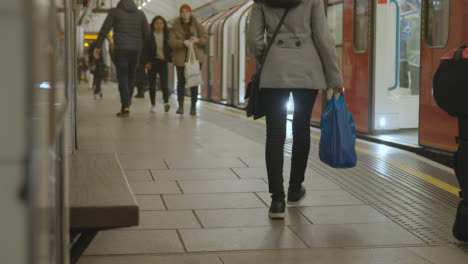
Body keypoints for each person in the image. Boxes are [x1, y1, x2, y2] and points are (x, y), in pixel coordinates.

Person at [247, 0, 344, 219]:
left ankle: (277, 201)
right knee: (301, 129)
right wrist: (335, 78)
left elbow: (253, 40)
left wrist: (270, 58)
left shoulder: (260, 1)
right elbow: (323, 38)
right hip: (306, 71)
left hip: (275, 71)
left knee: (275, 134)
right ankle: (294, 189)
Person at [94, 0, 151, 117]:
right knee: (131, 76)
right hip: (136, 50)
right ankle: (127, 104)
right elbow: (147, 34)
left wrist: (97, 46)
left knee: (123, 77)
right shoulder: (140, 14)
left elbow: (105, 29)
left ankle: (125, 105)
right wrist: (147, 52)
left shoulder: (115, 12)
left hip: (121, 49)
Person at [169, 4, 208, 115]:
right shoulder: (175, 26)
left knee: (194, 82)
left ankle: (193, 107)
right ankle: (180, 106)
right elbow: (171, 42)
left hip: (194, 58)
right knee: (181, 82)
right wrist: (183, 43)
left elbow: (205, 38)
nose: (185, 14)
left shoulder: (197, 25)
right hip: (181, 58)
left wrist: (197, 40)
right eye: (183, 11)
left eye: (187, 11)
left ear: (190, 13)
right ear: (180, 14)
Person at [145, 15, 172, 113]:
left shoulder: (167, 36)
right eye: (157, 23)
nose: (159, 25)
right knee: (152, 85)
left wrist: (169, 58)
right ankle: (153, 104)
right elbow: (145, 50)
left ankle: (166, 102)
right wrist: (146, 62)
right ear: (153, 25)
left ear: (164, 25)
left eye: (161, 23)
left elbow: (170, 49)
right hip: (152, 62)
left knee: (164, 84)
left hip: (163, 61)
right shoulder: (149, 36)